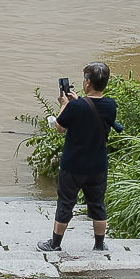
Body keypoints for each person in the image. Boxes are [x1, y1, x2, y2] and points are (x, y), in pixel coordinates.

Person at [38, 62, 118, 254]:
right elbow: (93, 110)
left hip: (73, 164)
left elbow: (59, 127)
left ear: (88, 82)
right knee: (98, 204)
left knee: (66, 203)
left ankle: (55, 244)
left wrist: (65, 104)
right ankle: (99, 244)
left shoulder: (75, 106)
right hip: (98, 164)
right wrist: (78, 101)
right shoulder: (110, 105)